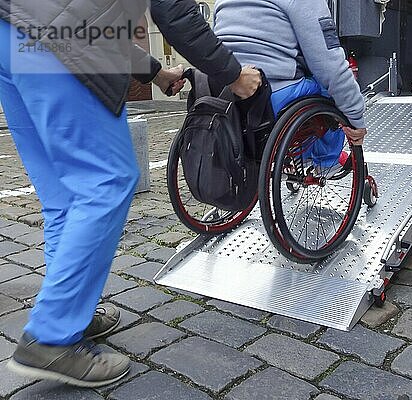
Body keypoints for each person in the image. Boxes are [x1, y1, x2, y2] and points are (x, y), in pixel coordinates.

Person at [0, 0, 260, 387]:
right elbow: (174, 13)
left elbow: (86, 13)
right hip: (60, 42)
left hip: (12, 34)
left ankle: (72, 310)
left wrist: (154, 71)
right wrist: (234, 75)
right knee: (105, 182)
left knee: (64, 199)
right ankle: (52, 335)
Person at [213, 0, 367, 176]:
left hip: (225, 95)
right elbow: (330, 66)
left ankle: (303, 154)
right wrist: (356, 119)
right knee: (330, 89)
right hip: (271, 97)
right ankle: (326, 161)